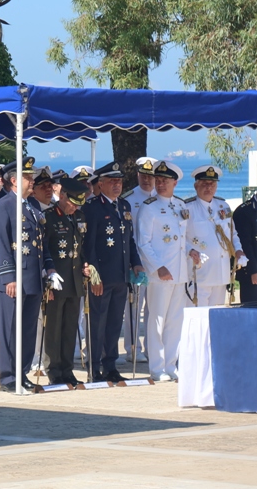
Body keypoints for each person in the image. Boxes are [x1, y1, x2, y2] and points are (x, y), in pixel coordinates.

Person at [0, 157, 50, 393]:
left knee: (27, 329)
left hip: (33, 276)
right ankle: (8, 377)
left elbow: (40, 242)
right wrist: (8, 277)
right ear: (14, 180)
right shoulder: (3, 205)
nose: (32, 180)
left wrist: (49, 268)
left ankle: (22, 372)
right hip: (14, 278)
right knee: (10, 329)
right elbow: (0, 243)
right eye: (27, 177)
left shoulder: (32, 206)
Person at [80, 161, 142, 383]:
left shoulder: (124, 206)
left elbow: (129, 240)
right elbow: (88, 246)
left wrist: (136, 263)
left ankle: (110, 366)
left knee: (115, 323)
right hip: (101, 277)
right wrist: (94, 276)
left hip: (120, 276)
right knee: (97, 323)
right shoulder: (92, 208)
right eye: (112, 181)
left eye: (119, 182)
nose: (117, 185)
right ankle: (94, 367)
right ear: (101, 184)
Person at [136, 160, 189, 382]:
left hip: (180, 272)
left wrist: (193, 252)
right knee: (157, 321)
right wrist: (158, 267)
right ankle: (157, 367)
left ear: (174, 183)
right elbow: (143, 242)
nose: (160, 184)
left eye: (165, 181)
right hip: (160, 274)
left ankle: (171, 364)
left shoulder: (180, 205)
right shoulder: (149, 207)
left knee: (175, 321)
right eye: (157, 180)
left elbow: (183, 239)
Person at [42, 178, 90, 385]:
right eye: (72, 202)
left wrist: (86, 264)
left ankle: (67, 370)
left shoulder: (79, 216)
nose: (75, 207)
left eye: (78, 203)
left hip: (75, 280)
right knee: (54, 328)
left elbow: (81, 246)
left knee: (70, 327)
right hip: (56, 281)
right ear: (61, 196)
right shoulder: (49, 217)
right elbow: (44, 250)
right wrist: (47, 278)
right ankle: (53, 370)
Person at [184, 166, 246, 306]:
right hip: (199, 274)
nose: (209, 187)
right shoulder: (187, 208)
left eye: (212, 184)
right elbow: (180, 238)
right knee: (198, 316)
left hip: (221, 273)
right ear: (196, 186)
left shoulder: (223, 206)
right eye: (204, 184)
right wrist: (190, 250)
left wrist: (238, 250)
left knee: (216, 314)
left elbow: (232, 233)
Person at [120, 156, 157, 357]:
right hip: (137, 261)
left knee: (154, 308)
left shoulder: (161, 198)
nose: (147, 180)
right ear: (137, 175)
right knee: (134, 307)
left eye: (150, 176)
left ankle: (152, 347)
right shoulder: (128, 199)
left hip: (156, 262)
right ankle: (133, 349)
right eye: (143, 175)